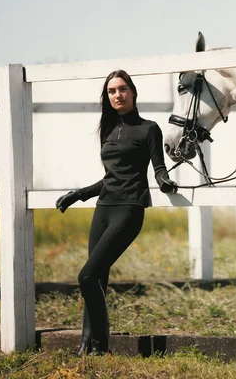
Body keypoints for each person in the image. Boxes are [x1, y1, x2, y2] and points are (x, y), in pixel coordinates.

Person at [55, 69, 178, 356]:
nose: (117, 95)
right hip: (103, 210)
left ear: (133, 92)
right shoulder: (108, 131)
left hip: (129, 210)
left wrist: (164, 182)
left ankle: (101, 345)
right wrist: (79, 194)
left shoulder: (149, 129)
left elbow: (157, 168)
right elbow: (110, 178)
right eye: (112, 91)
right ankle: (86, 346)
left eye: (122, 89)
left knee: (86, 276)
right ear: (107, 97)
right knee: (97, 279)